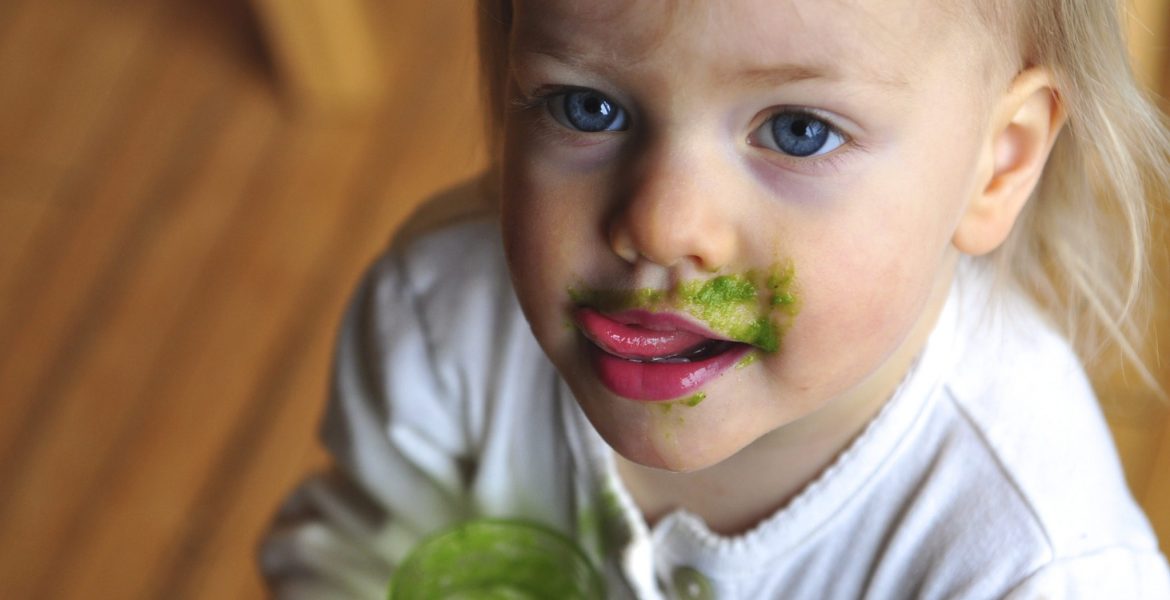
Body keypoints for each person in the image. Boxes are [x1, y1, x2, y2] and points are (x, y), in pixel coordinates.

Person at [260, 0, 1170, 597]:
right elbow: (359, 554)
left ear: (997, 160)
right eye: (586, 107)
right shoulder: (443, 315)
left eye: (798, 131)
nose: (660, 223)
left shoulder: (1036, 566)